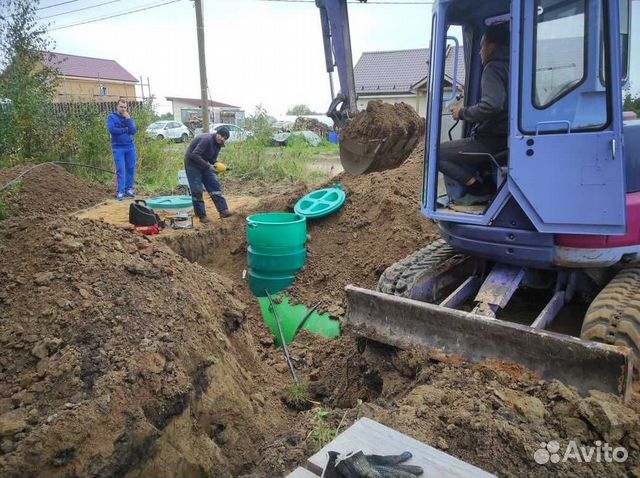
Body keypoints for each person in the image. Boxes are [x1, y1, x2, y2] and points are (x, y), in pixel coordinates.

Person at [438, 23, 510, 206]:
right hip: (507, 137)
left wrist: (462, 112)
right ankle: (485, 181)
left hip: (492, 139)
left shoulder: (494, 67)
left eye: (481, 47)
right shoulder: (516, 66)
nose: (479, 53)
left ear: (492, 46)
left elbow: (491, 106)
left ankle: (478, 188)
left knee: (436, 154)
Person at [184, 127, 234, 223]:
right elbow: (194, 155)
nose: (222, 139)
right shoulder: (206, 139)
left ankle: (223, 210)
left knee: (214, 185)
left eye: (225, 138)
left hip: (204, 164)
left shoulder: (218, 145)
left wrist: (220, 166)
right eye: (222, 136)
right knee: (197, 189)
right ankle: (202, 216)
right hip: (192, 164)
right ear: (217, 133)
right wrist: (208, 166)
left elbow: (212, 159)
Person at [107, 99, 138, 201]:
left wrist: (128, 119)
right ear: (117, 107)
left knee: (130, 168)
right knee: (121, 170)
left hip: (130, 147)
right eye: (121, 107)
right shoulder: (112, 117)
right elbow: (112, 130)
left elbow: (133, 131)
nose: (123, 109)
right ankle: (121, 191)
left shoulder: (128, 117)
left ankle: (129, 190)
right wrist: (125, 130)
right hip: (118, 148)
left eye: (125, 107)